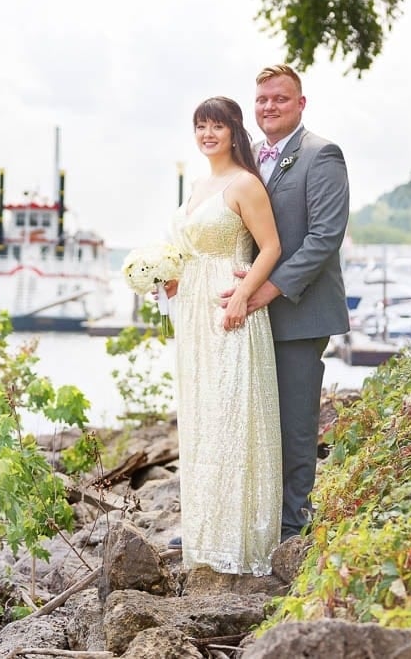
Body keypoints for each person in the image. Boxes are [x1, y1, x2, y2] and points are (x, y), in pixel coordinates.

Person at [225, 64, 351, 542]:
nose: (269, 106)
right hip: (251, 311)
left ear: (301, 104)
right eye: (262, 100)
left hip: (299, 311)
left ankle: (293, 527)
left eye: (280, 98)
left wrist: (266, 290)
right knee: (254, 418)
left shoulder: (323, 155)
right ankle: (254, 516)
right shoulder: (250, 158)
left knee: (295, 420)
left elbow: (323, 238)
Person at [165, 96, 284, 575]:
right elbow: (186, 249)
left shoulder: (244, 184)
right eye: (200, 126)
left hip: (228, 308)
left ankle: (242, 540)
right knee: (202, 415)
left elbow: (271, 247)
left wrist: (242, 297)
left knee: (234, 416)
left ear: (234, 131)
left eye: (216, 126)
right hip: (191, 311)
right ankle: (204, 534)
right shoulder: (197, 185)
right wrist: (167, 275)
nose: (207, 134)